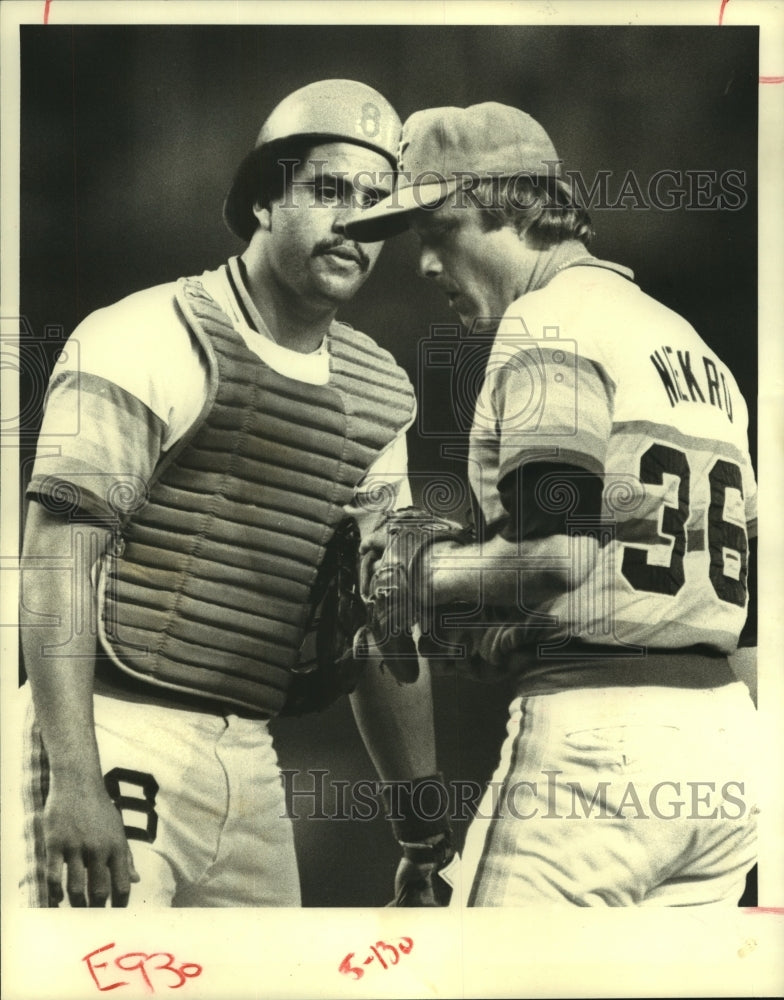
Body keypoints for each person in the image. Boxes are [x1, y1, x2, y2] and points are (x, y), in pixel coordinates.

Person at [19, 79, 453, 909]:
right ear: (263, 199)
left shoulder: (381, 392)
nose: (355, 224)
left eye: (376, 205)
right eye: (329, 192)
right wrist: (73, 779)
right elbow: (53, 561)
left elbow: (382, 626)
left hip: (250, 758)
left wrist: (421, 830)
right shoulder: (147, 332)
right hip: (109, 724)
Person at [345, 102, 759, 906]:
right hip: (727, 754)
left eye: (437, 230)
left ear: (504, 200)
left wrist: (420, 579)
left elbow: (558, 555)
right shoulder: (693, 351)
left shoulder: (548, 326)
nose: (425, 264)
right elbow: (751, 597)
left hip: (597, 754)